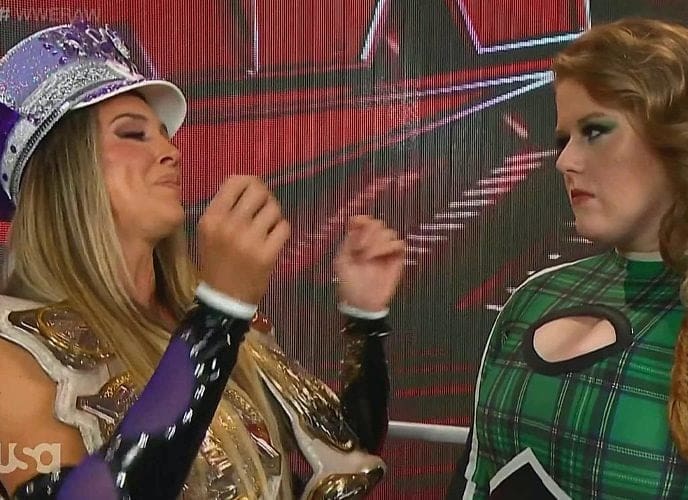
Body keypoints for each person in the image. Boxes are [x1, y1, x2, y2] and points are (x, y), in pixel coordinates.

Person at [0, 21, 405, 499]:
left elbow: (342, 459)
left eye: (165, 135)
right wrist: (219, 312)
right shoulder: (15, 352)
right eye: (133, 134)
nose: (170, 151)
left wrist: (365, 320)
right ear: (62, 173)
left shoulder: (220, 329)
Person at [448, 17, 688, 500]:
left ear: (681, 136)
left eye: (594, 130)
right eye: (563, 139)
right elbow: (473, 479)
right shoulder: (533, 297)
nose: (564, 161)